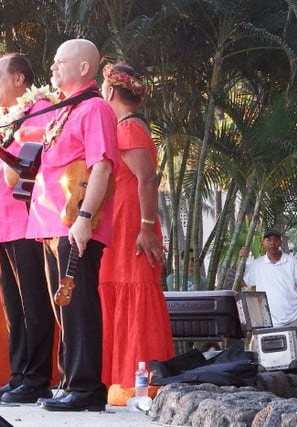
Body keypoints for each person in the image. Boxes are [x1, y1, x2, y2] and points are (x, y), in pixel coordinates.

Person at [26, 39, 118, 412]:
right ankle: (70, 382)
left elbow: (102, 166)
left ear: (83, 67)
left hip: (75, 222)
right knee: (63, 305)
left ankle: (86, 387)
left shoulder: (95, 108)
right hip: (51, 223)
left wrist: (84, 218)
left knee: (77, 304)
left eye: (60, 61)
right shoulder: (66, 109)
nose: (53, 67)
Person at [0, 53, 55, 403]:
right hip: (0, 223)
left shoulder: (39, 109)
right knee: (12, 307)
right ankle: (18, 375)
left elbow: (34, 162)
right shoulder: (0, 118)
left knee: (33, 304)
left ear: (19, 79)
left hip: (27, 220)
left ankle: (37, 379)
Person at [97, 63, 174, 404]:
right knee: (116, 291)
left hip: (132, 225)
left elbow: (147, 179)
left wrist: (146, 226)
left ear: (111, 90)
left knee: (133, 290)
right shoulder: (124, 126)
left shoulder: (128, 127)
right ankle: (114, 379)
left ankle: (135, 380)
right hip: (120, 225)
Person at [241, 230, 297, 327]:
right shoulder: (257, 264)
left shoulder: (291, 261)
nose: (272, 243)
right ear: (263, 243)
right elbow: (243, 284)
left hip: (294, 318)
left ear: (280, 243)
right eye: (269, 240)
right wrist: (241, 259)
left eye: (276, 240)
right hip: (267, 320)